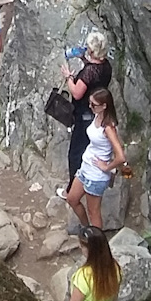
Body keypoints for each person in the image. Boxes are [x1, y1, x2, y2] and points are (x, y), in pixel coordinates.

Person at [62, 88, 125, 229]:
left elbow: (121, 156)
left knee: (93, 212)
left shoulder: (108, 127)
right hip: (86, 167)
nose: (90, 107)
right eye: (90, 103)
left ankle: (97, 243)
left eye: (94, 105)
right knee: (72, 199)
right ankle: (87, 230)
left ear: (104, 106)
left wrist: (107, 167)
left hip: (96, 175)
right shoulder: (97, 116)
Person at [62, 30, 114, 187]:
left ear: (92, 51)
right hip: (97, 113)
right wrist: (84, 59)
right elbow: (94, 70)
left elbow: (77, 93)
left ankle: (73, 188)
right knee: (90, 148)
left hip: (84, 113)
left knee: (76, 152)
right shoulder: (106, 66)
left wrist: (68, 77)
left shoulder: (89, 72)